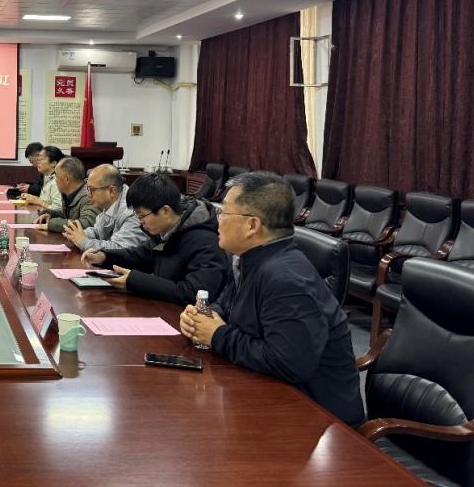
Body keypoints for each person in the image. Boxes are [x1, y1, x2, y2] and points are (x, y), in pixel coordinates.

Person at [179, 172, 365, 426]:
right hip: (273, 395)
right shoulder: (250, 258)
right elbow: (226, 305)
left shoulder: (286, 279)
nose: (217, 220)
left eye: (224, 213)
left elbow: (289, 363)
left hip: (318, 421)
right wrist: (203, 318)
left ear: (252, 225)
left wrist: (217, 335)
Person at [81, 172, 228, 305]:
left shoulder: (206, 241)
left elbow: (193, 293)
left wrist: (134, 281)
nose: (140, 223)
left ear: (165, 211)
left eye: (142, 216)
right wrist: (104, 257)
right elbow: (140, 255)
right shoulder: (167, 229)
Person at [61, 164, 146, 252]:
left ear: (111, 190)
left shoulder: (132, 211)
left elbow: (119, 248)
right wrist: (81, 234)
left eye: (91, 190)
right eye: (87, 189)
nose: (88, 194)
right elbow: (98, 231)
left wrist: (83, 242)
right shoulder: (111, 203)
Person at [35, 156, 98, 233]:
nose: (55, 180)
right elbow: (69, 215)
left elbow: (86, 223)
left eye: (56, 176)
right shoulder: (69, 194)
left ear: (66, 179)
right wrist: (51, 215)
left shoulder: (89, 196)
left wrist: (52, 224)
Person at [21, 145, 63, 212]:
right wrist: (33, 198)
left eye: (42, 159)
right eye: (38, 159)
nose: (38, 162)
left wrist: (38, 201)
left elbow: (58, 210)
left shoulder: (57, 182)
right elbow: (47, 201)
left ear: (54, 163)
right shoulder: (47, 177)